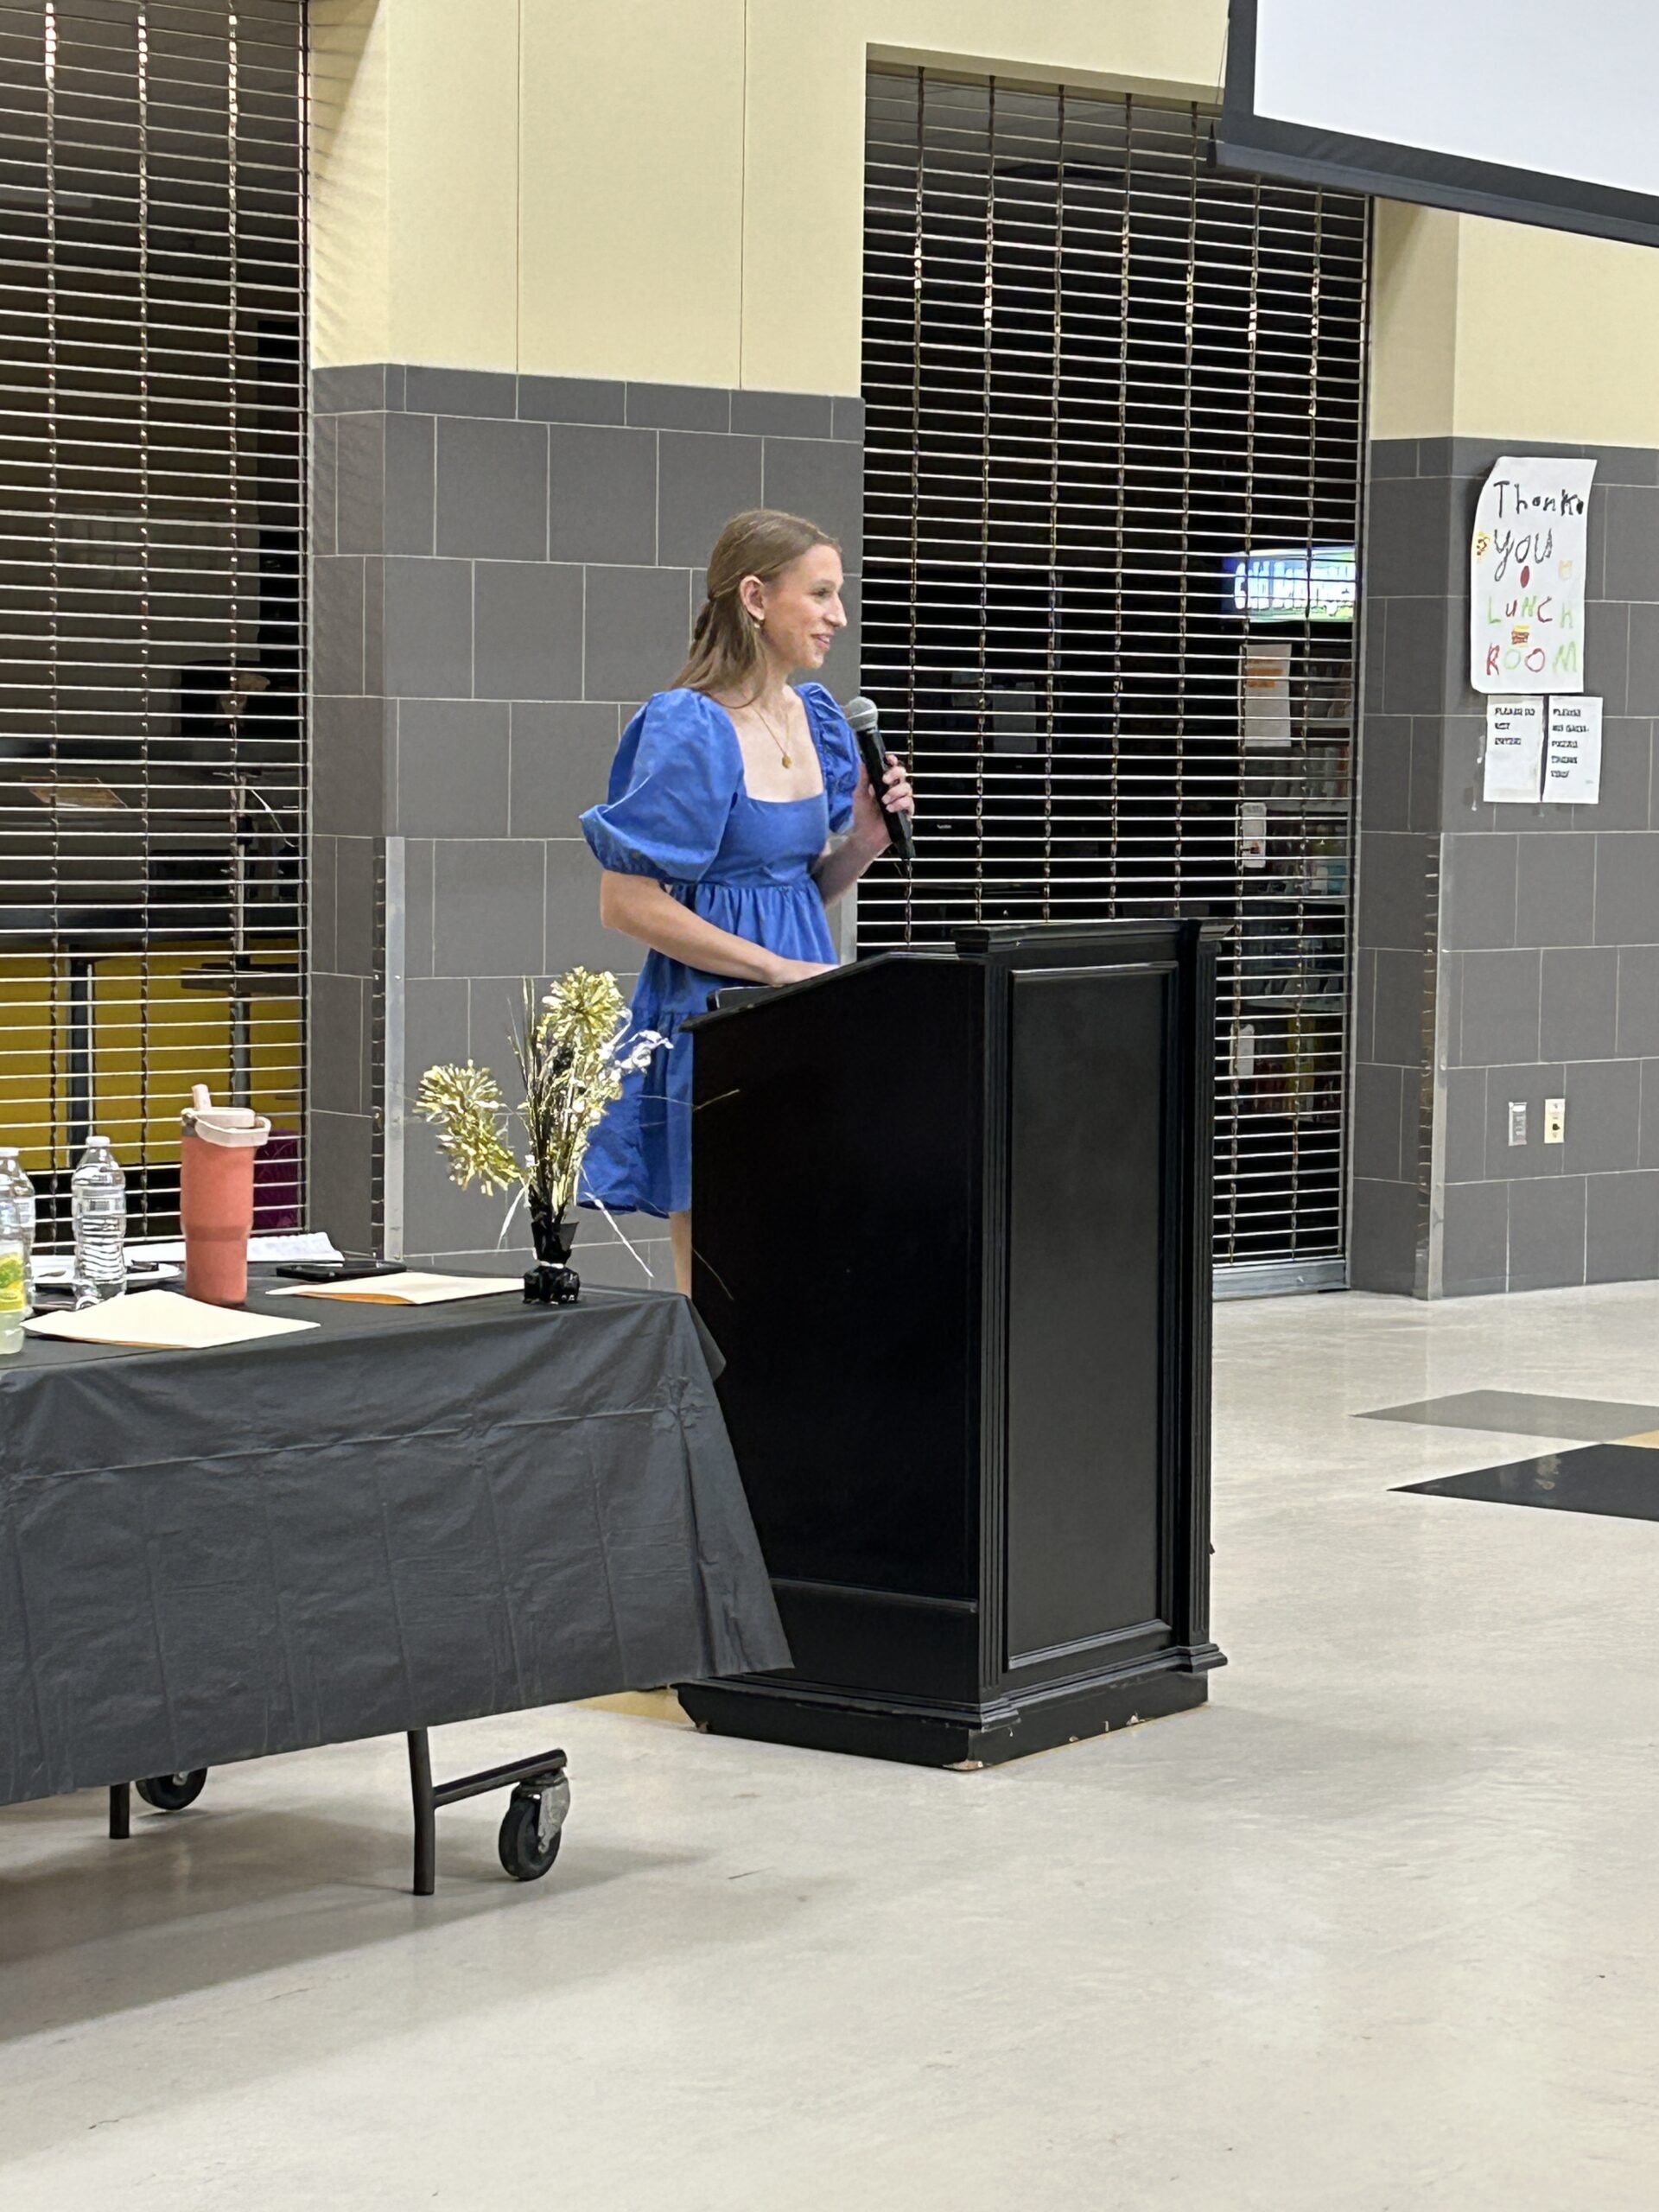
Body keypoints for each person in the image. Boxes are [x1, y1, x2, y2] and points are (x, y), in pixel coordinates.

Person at [579, 507, 915, 1294]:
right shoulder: (690, 727)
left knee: (808, 1249)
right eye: (822, 594)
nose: (838, 615)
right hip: (716, 1018)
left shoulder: (819, 718)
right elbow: (625, 903)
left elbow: (797, 890)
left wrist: (864, 839)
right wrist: (775, 973)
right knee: (727, 1275)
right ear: (757, 598)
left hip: (800, 1006)